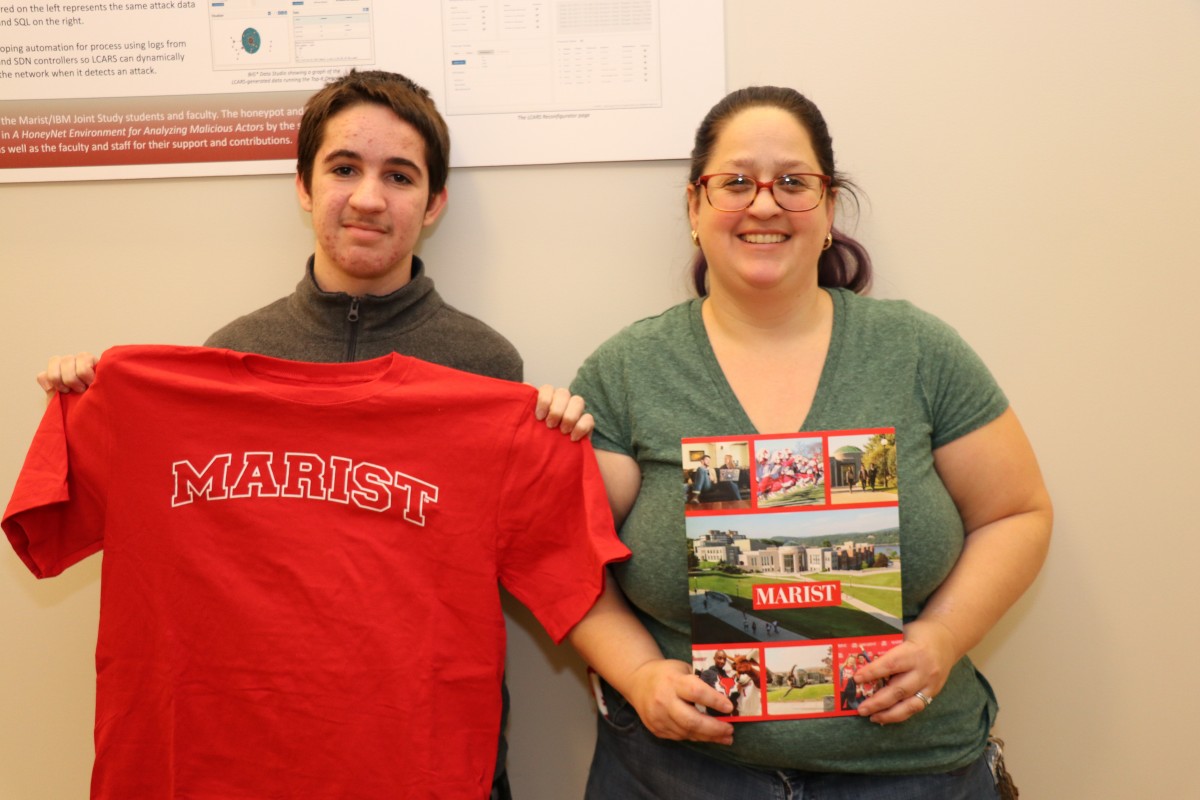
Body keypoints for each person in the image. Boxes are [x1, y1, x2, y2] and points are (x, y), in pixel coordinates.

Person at [32, 69, 595, 800]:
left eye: (399, 175)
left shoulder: (486, 369)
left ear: (434, 204)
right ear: (303, 186)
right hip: (244, 768)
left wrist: (554, 432)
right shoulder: (222, 360)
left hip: (422, 767)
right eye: (343, 168)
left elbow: (551, 567)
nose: (367, 197)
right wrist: (95, 402)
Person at [566, 86, 1053, 798]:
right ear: (695, 210)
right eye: (735, 182)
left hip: (913, 774)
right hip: (680, 776)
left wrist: (943, 637)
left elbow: (1016, 513)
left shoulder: (918, 352)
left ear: (828, 212)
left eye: (794, 183)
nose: (764, 204)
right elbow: (565, 554)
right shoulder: (627, 372)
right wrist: (637, 673)